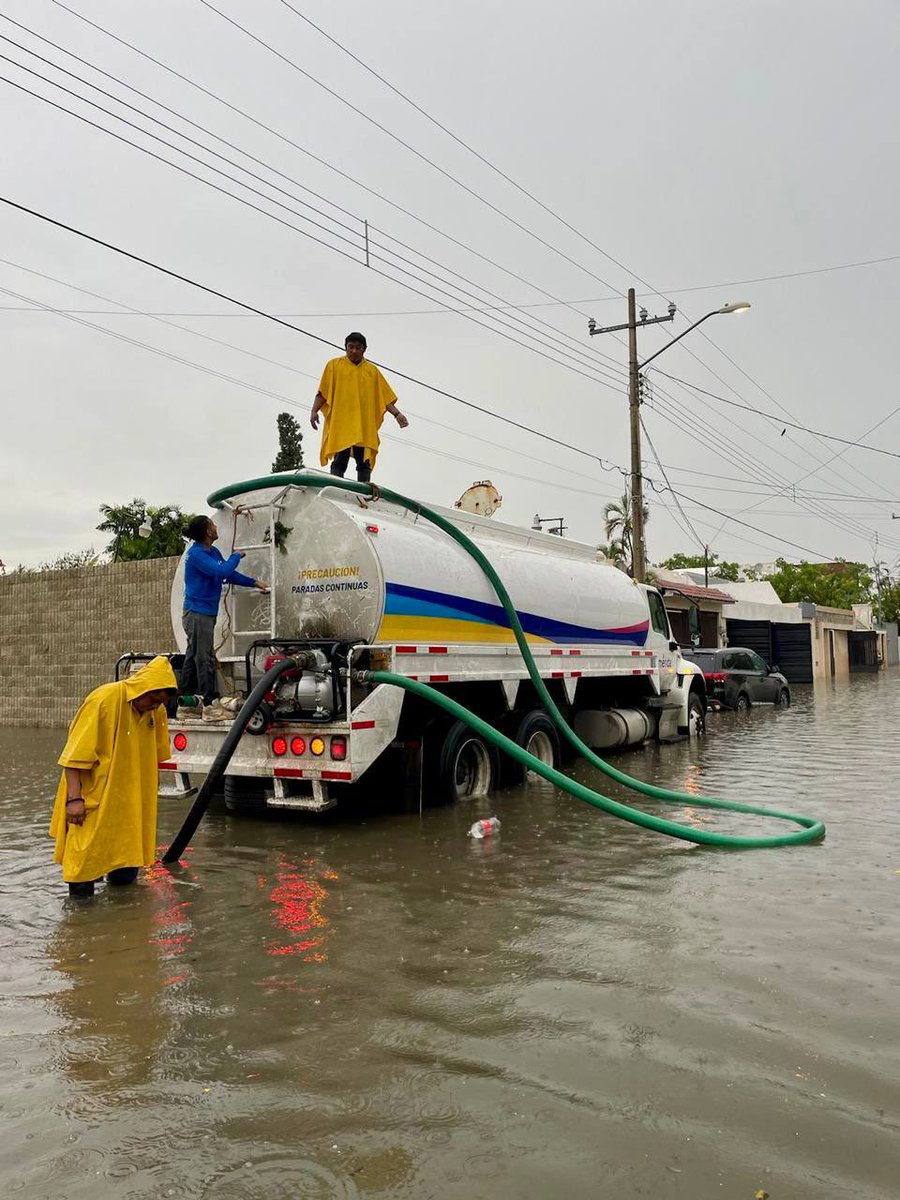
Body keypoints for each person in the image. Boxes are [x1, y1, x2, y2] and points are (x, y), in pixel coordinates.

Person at [50, 656, 178, 898]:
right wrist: (74, 800)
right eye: (154, 698)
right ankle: (80, 926)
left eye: (161, 702)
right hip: (93, 798)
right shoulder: (104, 700)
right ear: (144, 687)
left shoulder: (156, 711)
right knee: (83, 863)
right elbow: (73, 756)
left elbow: (156, 756)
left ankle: (124, 922)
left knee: (127, 860)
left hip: (131, 800)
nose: (155, 706)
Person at [180, 515, 269, 720]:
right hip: (196, 612)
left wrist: (254, 582)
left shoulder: (212, 552)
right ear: (208, 532)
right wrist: (236, 556)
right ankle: (210, 704)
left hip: (205, 612)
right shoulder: (196, 555)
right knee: (204, 658)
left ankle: (185, 704)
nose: (216, 526)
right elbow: (223, 569)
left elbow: (227, 575)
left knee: (194, 657)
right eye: (213, 524)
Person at [310, 332, 408, 481]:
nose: (354, 351)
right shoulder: (334, 366)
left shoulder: (372, 371)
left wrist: (397, 414)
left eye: (358, 347)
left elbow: (384, 397)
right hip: (341, 423)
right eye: (350, 347)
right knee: (339, 460)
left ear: (364, 349)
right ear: (345, 348)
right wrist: (314, 410)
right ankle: (336, 486)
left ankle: (364, 494)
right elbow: (323, 392)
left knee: (364, 462)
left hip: (364, 425)